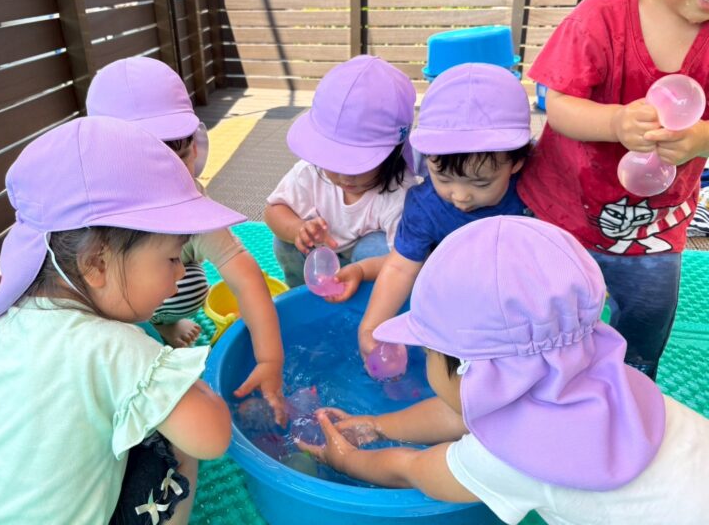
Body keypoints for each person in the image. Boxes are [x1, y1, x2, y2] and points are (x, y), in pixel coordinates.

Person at [299, 216, 709, 525]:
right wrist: (377, 424)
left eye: (427, 353)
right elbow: (459, 412)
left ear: (466, 369)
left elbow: (414, 469)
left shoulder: (514, 458)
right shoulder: (601, 380)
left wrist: (348, 461)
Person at [0, 117, 236, 524]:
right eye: (172, 257)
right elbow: (212, 437)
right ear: (96, 262)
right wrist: (184, 383)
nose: (181, 273)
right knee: (171, 443)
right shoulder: (111, 346)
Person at [518, 0, 709, 380]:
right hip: (563, 214)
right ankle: (541, 381)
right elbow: (559, 104)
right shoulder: (600, 17)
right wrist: (615, 121)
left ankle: (629, 385)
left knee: (646, 319)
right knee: (544, 315)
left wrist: (701, 138)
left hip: (655, 230)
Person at [87, 57, 285, 422]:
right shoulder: (90, 208)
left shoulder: (189, 203)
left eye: (175, 158)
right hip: (115, 314)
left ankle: (163, 320)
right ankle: (150, 328)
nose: (163, 180)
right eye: (142, 166)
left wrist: (269, 359)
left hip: (162, 295)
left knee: (189, 285)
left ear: (194, 149)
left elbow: (242, 273)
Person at [358, 63, 531, 360]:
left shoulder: (533, 192)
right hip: (453, 293)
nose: (461, 196)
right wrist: (372, 327)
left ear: (517, 163)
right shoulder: (425, 206)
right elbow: (400, 267)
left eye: (481, 182)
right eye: (444, 179)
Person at [264, 55, 417, 300]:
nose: (344, 175)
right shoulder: (311, 171)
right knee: (285, 242)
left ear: (391, 154)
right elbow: (273, 210)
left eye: (357, 163)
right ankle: (300, 295)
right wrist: (297, 230)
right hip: (317, 257)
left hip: (366, 264)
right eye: (333, 159)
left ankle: (365, 299)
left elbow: (406, 259)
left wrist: (360, 270)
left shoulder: (400, 192)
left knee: (374, 247)